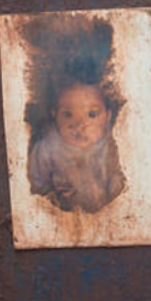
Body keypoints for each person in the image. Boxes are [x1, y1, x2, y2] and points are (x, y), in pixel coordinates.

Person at [28, 81, 126, 213]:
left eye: (92, 114)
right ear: (54, 114)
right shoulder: (47, 148)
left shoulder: (115, 145)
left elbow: (125, 182)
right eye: (68, 115)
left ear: (107, 117)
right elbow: (35, 183)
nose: (80, 125)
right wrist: (51, 197)